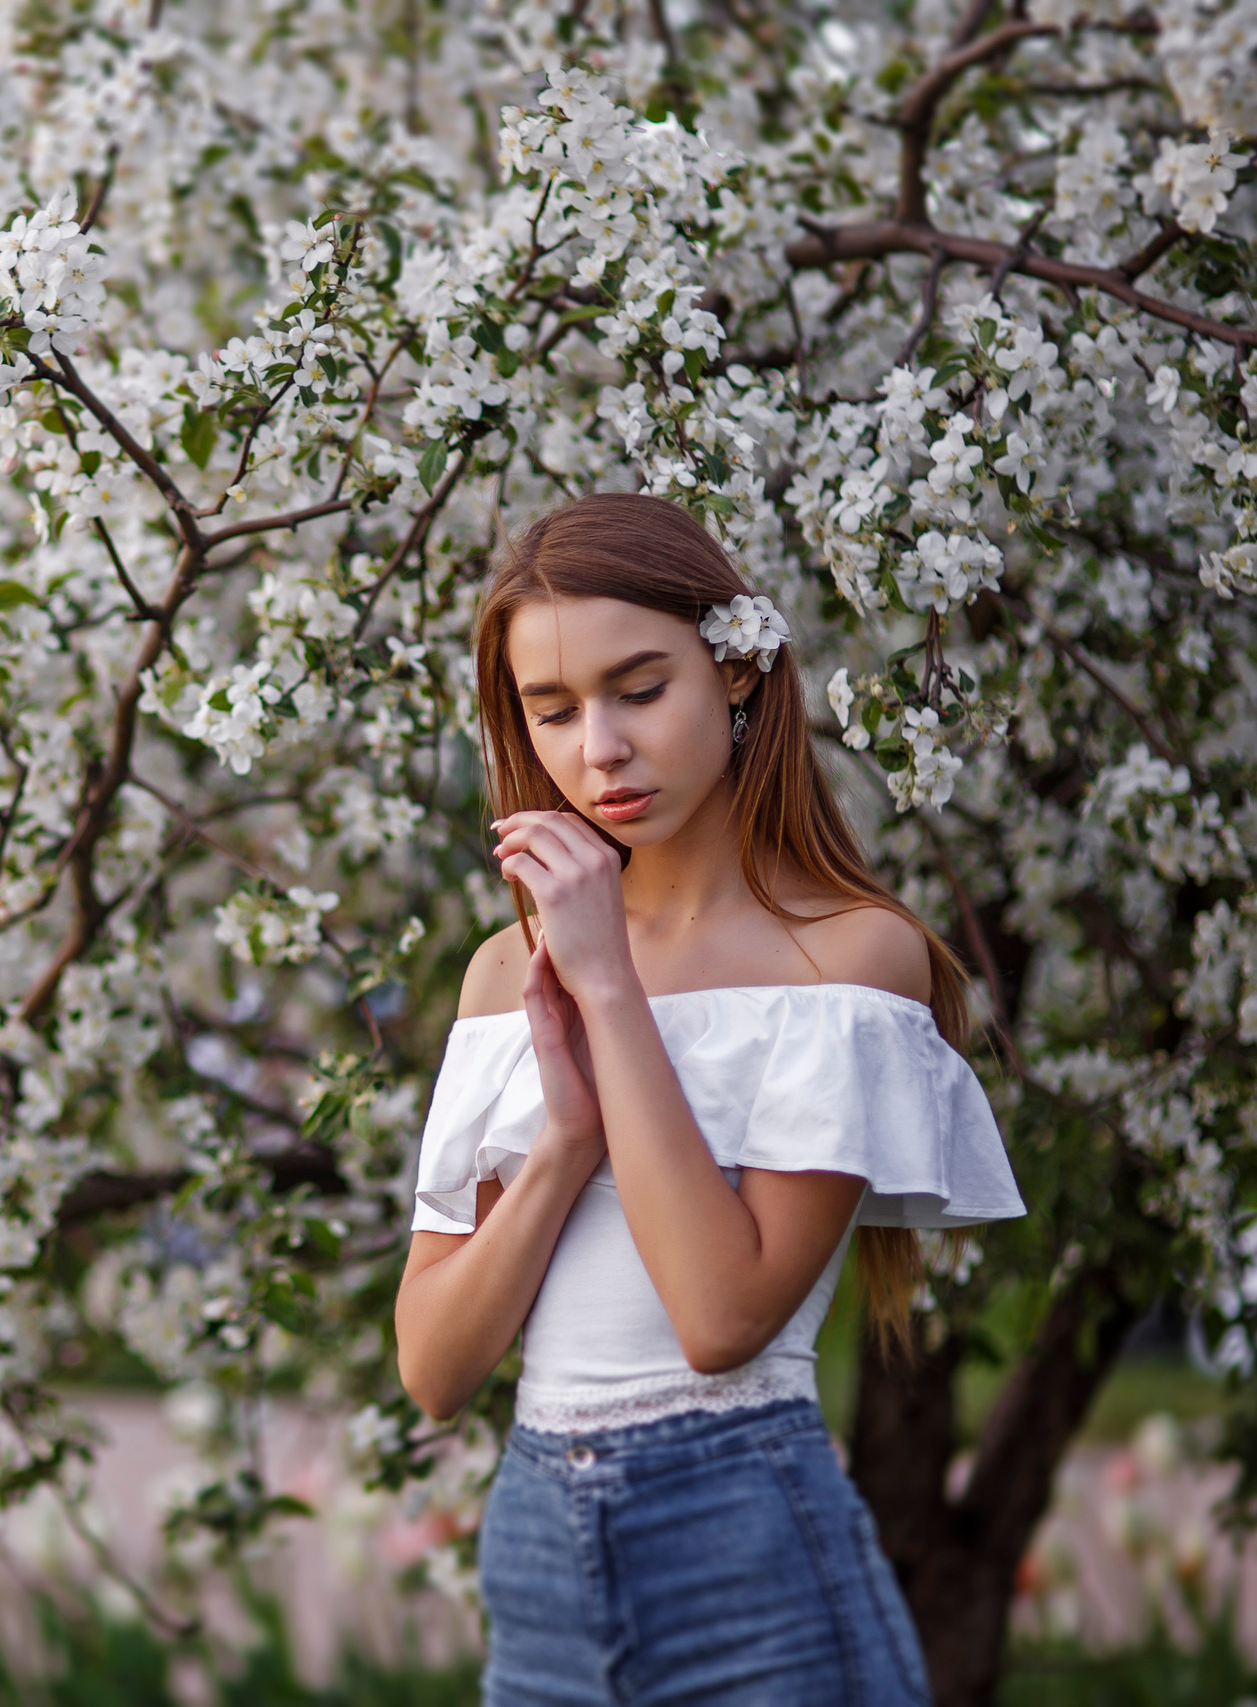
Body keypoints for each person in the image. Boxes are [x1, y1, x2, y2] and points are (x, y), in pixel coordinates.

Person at [393, 493, 1025, 1706]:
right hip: (535, 1548)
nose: (600, 749)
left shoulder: (846, 959)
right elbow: (433, 1366)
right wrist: (567, 1138)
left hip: (744, 1531)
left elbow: (721, 1316)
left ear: (734, 671)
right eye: (553, 710)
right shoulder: (501, 974)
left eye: (639, 690)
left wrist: (608, 987)